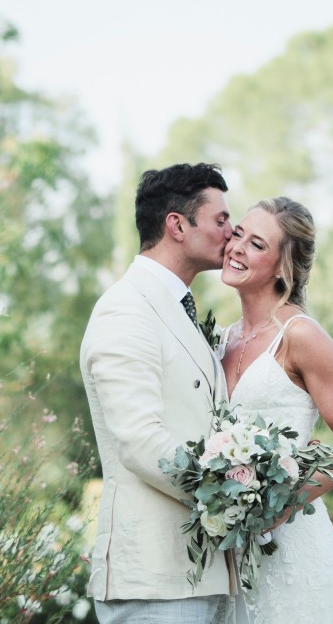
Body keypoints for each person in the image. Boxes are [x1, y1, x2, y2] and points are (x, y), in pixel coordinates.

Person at [81, 162, 237, 623]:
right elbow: (141, 440)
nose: (231, 233)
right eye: (221, 220)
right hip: (153, 580)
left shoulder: (177, 309)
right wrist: (233, 496)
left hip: (197, 573)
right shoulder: (126, 310)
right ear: (177, 225)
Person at [219, 197, 333, 624]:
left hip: (291, 543)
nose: (236, 248)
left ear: (283, 268)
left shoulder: (301, 336)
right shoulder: (221, 339)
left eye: (256, 244)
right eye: (236, 235)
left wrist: (283, 505)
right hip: (230, 550)